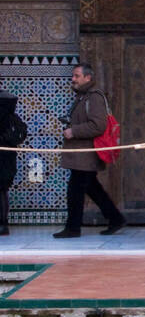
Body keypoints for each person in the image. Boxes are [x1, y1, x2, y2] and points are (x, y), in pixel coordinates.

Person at [53, 64, 126, 238]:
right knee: (93, 188)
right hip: (81, 155)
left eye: (77, 76)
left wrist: (74, 131)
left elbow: (98, 125)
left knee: (75, 191)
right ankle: (115, 218)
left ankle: (73, 228)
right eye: (74, 76)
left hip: (86, 155)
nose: (73, 79)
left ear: (88, 78)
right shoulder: (83, 97)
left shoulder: (94, 97)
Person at [0, 91, 28, 236]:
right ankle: (3, 225)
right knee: (2, 190)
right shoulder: (12, 114)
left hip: (4, 156)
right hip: (7, 158)